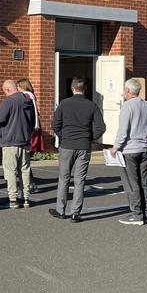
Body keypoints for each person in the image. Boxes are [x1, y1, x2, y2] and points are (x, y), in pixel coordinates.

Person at [49, 76, 106, 223]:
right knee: (80, 180)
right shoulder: (91, 105)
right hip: (84, 145)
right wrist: (91, 138)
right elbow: (101, 127)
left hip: (67, 144)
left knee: (64, 178)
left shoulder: (64, 104)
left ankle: (61, 210)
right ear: (85, 88)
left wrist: (62, 136)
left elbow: (55, 124)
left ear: (72, 88)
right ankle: (75, 213)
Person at [111, 78, 147, 225]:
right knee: (143, 181)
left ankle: (136, 214)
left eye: (124, 90)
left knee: (132, 182)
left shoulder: (127, 106)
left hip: (129, 149)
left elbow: (123, 131)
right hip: (143, 148)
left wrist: (115, 147)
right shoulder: (146, 104)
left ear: (128, 91)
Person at [0, 79, 35, 209]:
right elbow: (33, 121)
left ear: (7, 90)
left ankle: (12, 199)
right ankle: (26, 198)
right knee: (25, 170)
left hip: (10, 140)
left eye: (4, 92)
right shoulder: (28, 100)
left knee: (10, 171)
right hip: (25, 140)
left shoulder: (9, 101)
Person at [17, 78, 41, 193]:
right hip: (32, 130)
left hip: (29, 131)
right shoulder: (31, 95)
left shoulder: (26, 96)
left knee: (24, 159)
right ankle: (29, 183)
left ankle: (30, 184)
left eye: (18, 86)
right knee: (24, 159)